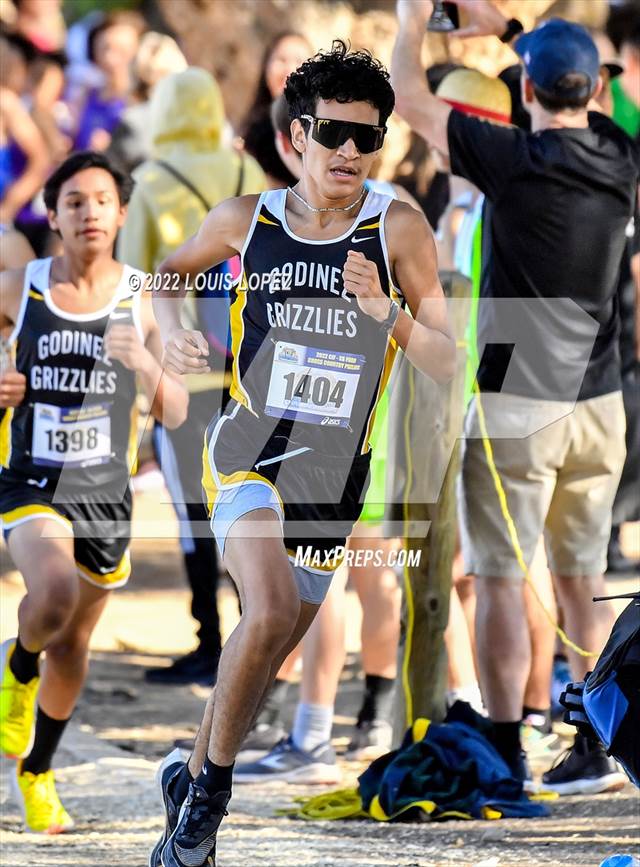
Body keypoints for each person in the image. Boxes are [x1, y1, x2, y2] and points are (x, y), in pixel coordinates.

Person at [150, 40, 455, 867]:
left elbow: (451, 356)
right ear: (297, 136)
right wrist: (175, 337)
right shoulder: (244, 220)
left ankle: (186, 775)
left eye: (368, 137)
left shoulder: (397, 228)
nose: (350, 152)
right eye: (333, 133)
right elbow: (167, 277)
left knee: (267, 640)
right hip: (247, 450)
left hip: (335, 476)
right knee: (274, 609)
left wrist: (385, 312)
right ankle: (209, 801)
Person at [392, 0, 638, 794]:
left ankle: (504, 747)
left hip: (516, 406)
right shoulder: (621, 154)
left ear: (527, 92)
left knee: (500, 577)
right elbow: (593, 96)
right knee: (580, 577)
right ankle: (598, 745)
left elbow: (408, 96)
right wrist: (512, 33)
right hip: (601, 404)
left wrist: (408, 22)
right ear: (592, 90)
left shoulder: (513, 158)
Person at [0, 150, 188, 833]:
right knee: (49, 594)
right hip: (32, 479)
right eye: (74, 201)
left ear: (121, 213)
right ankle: (17, 667)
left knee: (74, 643)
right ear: (52, 215)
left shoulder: (142, 293)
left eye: (101, 200)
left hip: (106, 494)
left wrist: (143, 361)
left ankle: (37, 770)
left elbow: (174, 411)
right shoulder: (21, 286)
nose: (89, 213)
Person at [118, 68, 266, 686]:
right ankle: (253, 632)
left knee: (192, 510)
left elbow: (131, 281)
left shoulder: (152, 181)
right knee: (252, 506)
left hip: (183, 376)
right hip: (251, 375)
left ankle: (209, 640)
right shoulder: (248, 176)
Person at [242, 31, 313, 188]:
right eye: (281, 60)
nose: (289, 68)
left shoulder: (321, 125)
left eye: (299, 60)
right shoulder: (255, 127)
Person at [72, 11, 145, 152]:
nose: (110, 58)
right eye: (105, 48)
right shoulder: (85, 95)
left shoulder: (139, 103)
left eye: (121, 50)